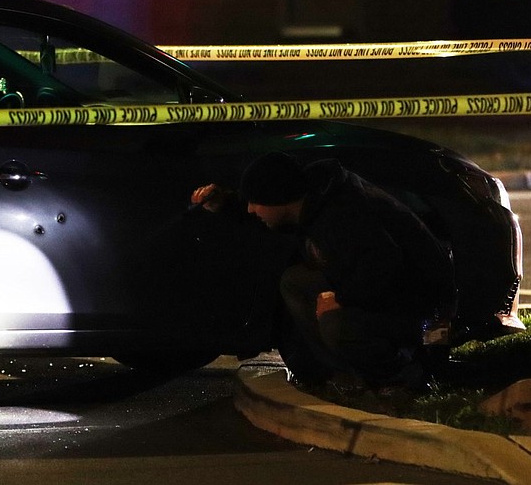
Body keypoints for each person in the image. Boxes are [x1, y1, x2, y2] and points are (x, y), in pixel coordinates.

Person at [191, 151, 455, 395]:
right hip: (385, 287)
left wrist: (341, 298)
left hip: (417, 301)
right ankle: (348, 376)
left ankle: (401, 379)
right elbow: (268, 214)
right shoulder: (315, 201)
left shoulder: (342, 214)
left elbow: (385, 266)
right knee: (295, 282)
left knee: (335, 323)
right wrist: (225, 204)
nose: (250, 209)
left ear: (279, 197)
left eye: (255, 201)